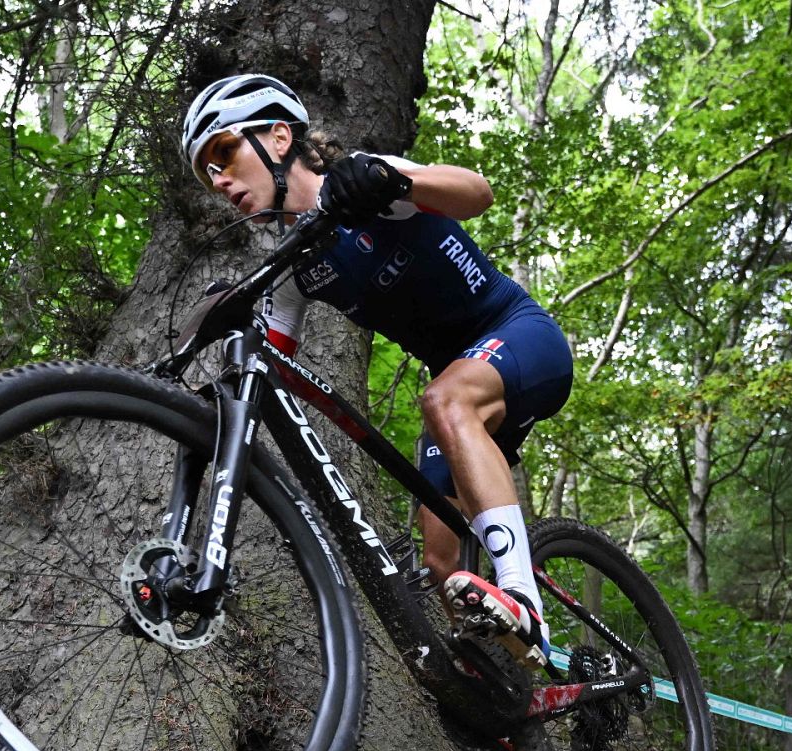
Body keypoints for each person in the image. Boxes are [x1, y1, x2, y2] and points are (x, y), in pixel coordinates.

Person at [181, 74, 574, 665]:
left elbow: (477, 192)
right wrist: (231, 328)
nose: (218, 179)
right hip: (457, 382)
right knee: (442, 558)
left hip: (519, 334)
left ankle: (523, 598)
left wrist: (397, 179)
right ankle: (506, 686)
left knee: (444, 400)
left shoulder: (363, 180)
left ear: (279, 137)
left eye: (223, 152)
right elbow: (274, 365)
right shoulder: (291, 270)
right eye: (207, 172)